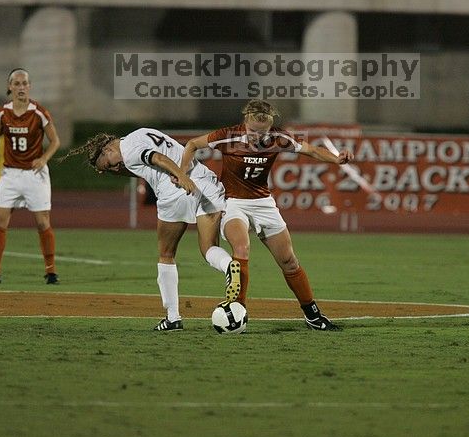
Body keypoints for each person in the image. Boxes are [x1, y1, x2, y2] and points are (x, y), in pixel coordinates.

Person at [180, 99, 354, 331]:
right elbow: (192, 144)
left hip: (264, 205)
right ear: (245, 122)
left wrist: (336, 159)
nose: (256, 137)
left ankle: (312, 315)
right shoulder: (228, 136)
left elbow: (311, 150)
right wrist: (183, 174)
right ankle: (237, 310)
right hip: (234, 204)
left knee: (289, 262)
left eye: (262, 133)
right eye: (252, 132)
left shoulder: (278, 138)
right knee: (241, 249)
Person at [62, 128, 241, 331]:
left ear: (108, 148)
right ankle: (228, 266)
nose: (115, 169)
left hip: (176, 188)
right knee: (208, 248)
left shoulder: (128, 150)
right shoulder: (141, 134)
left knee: (166, 254)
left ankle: (172, 318)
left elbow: (157, 158)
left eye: (110, 165)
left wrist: (180, 176)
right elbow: (150, 161)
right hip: (206, 181)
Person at [0, 69, 61, 285]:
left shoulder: (39, 112)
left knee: (43, 222)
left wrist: (44, 159)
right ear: (9, 87)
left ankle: (51, 272)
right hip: (10, 174)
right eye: (17, 83)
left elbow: (55, 141)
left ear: (30, 86)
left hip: (35, 174)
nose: (22, 87)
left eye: (25, 83)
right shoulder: (1, 113)